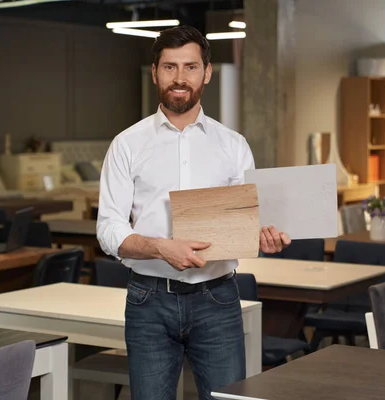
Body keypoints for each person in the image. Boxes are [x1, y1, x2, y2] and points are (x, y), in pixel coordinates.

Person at [96, 25, 291, 400]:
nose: (180, 78)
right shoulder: (127, 145)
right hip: (148, 300)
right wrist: (160, 248)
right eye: (170, 67)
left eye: (190, 66)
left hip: (217, 299)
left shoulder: (233, 146)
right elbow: (108, 229)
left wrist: (264, 236)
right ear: (154, 72)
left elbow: (246, 220)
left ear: (207, 72)